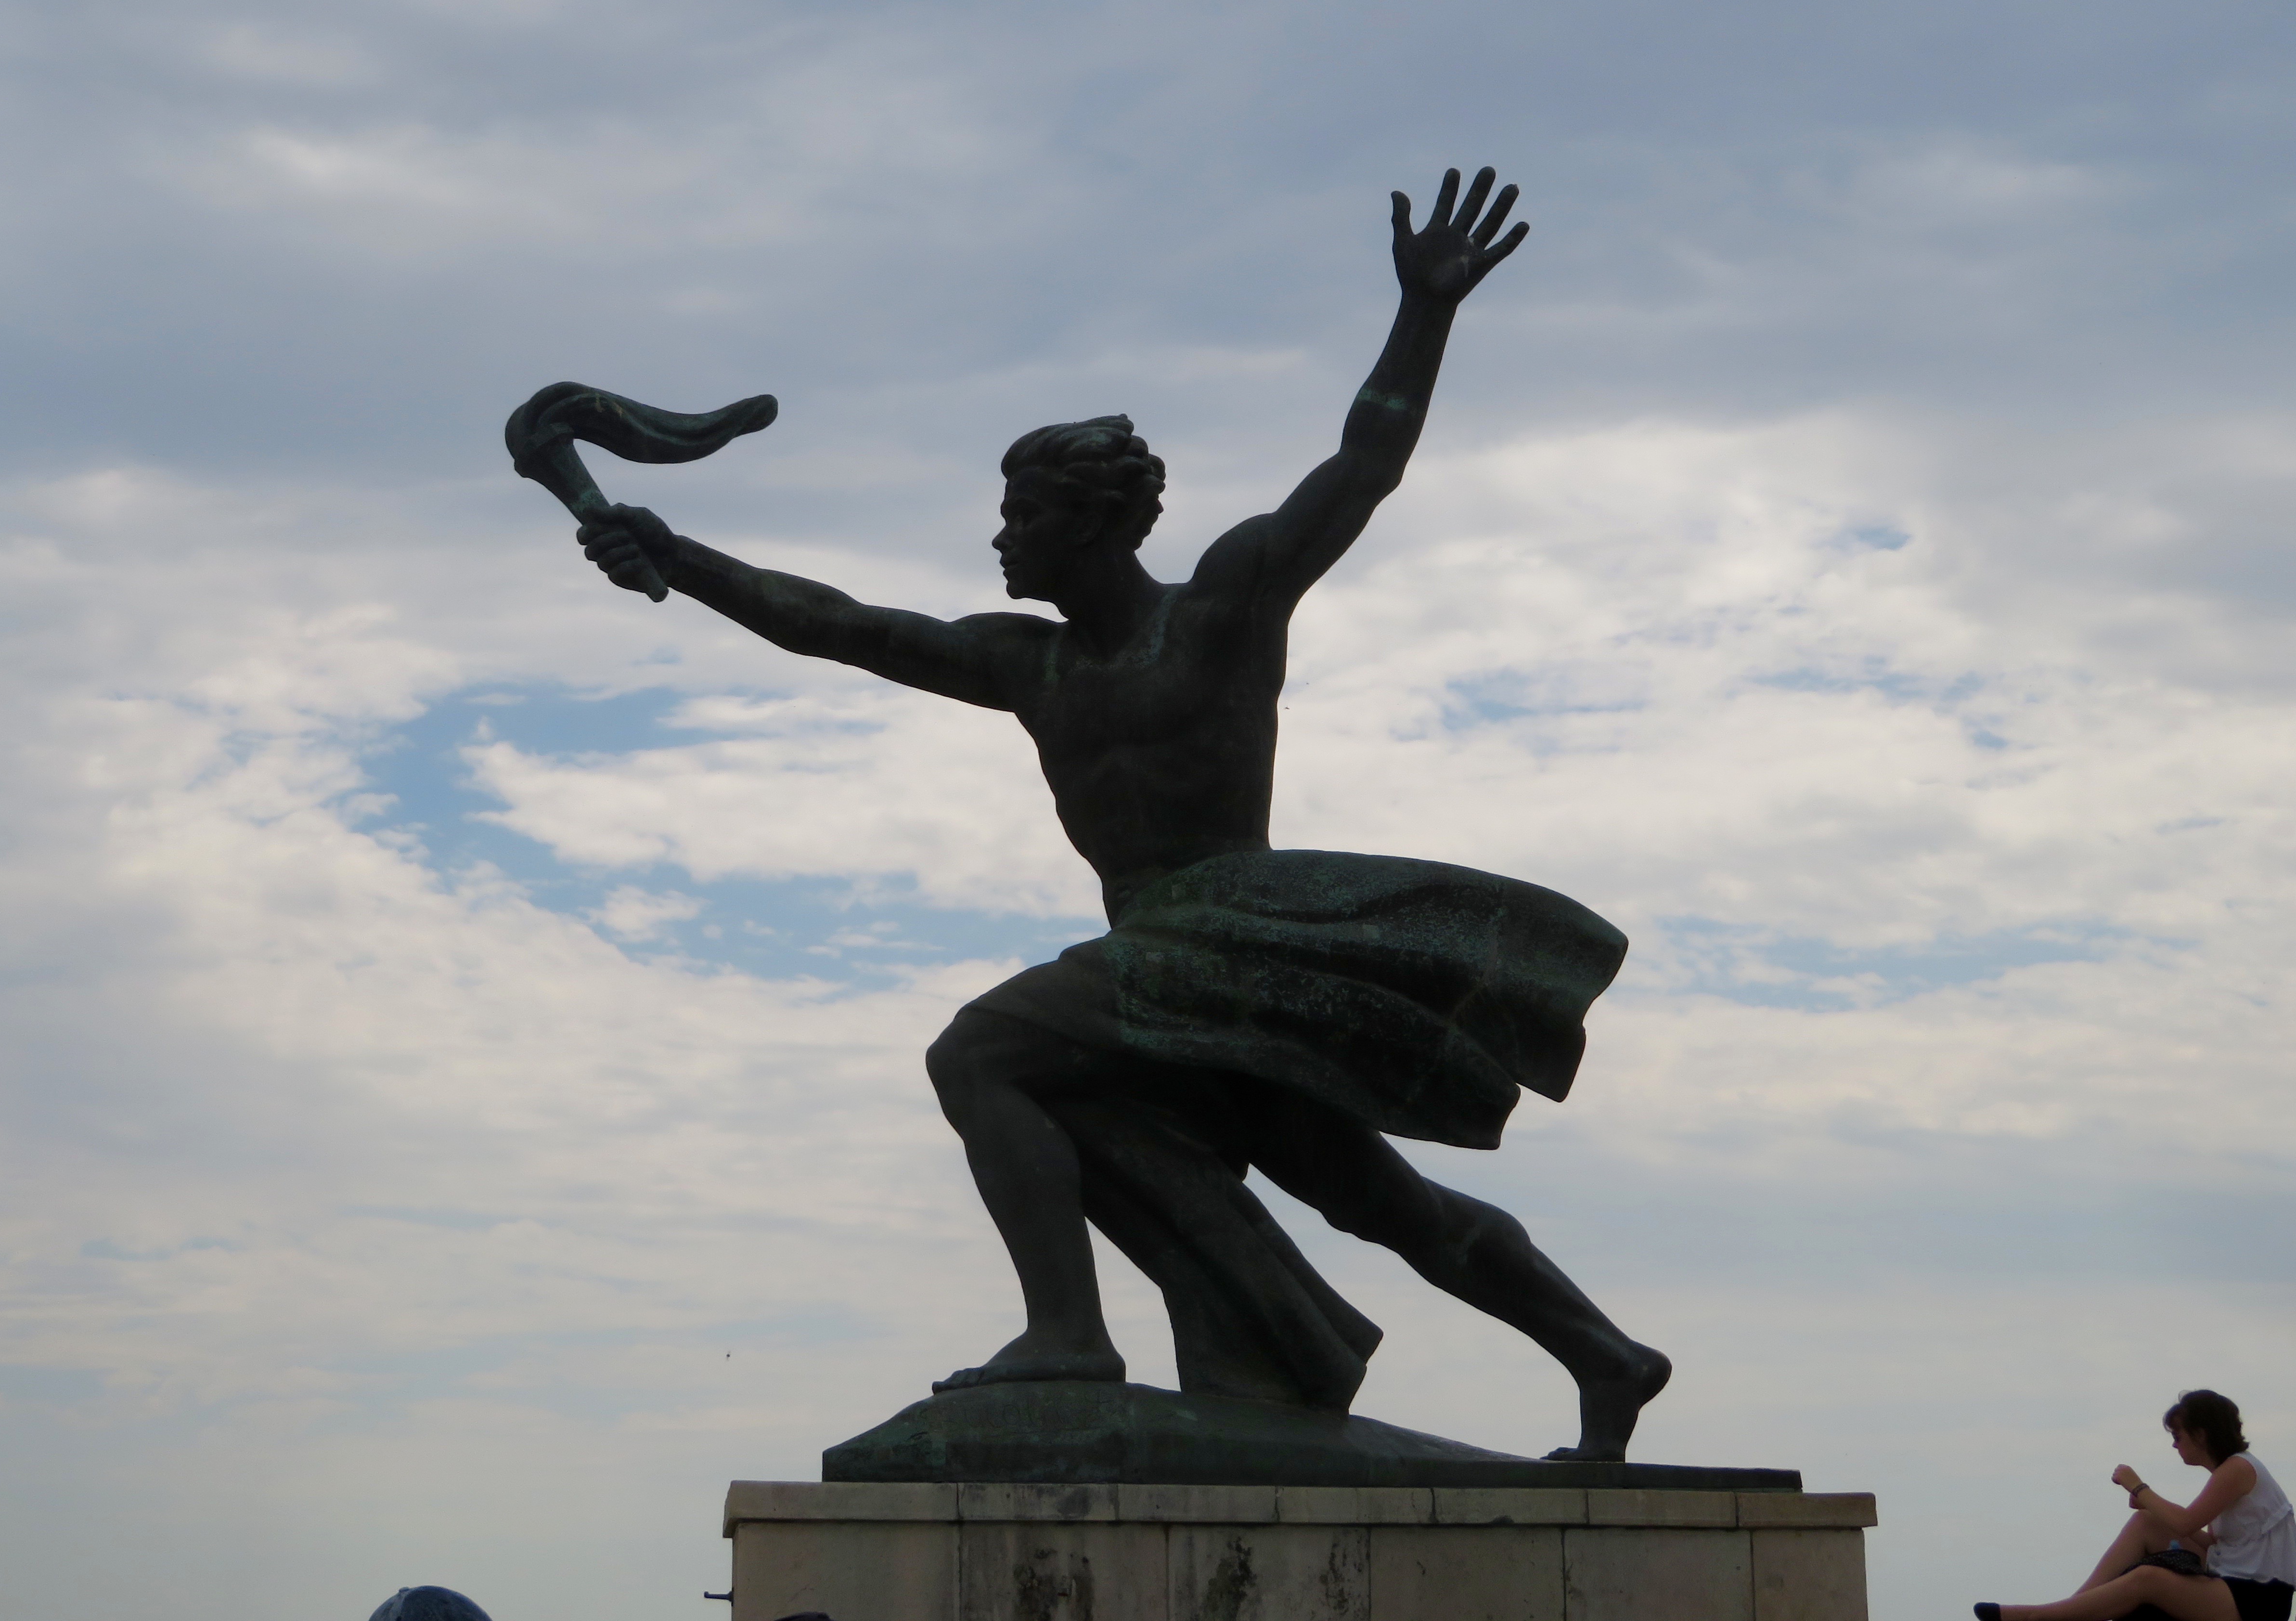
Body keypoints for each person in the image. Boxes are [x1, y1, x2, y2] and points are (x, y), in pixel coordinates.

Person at [574, 169, 1669, 1460]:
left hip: (1231, 929)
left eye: (1024, 514)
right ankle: (1604, 1354)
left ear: (1094, 521)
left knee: (982, 1052)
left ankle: (1068, 1334)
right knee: (1377, 1199)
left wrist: (1423, 312)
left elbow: (1360, 469)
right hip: (1160, 955)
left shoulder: (1219, 610)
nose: (1001, 537)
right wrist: (678, 557)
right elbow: (840, 626)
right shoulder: (1025, 663)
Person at [1975, 1389, 2296, 1621]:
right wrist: (2152, 1508)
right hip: (2236, 1581)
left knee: (2148, 1579)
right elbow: (2216, 1543)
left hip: (2257, 1600)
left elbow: (2186, 1523)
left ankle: (2040, 1617)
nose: (2174, 1445)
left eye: (2178, 1436)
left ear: (2201, 1434)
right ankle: (2074, 1607)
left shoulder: (2238, 1469)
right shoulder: (2230, 1471)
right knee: (2147, 1523)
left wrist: (2138, 1486)